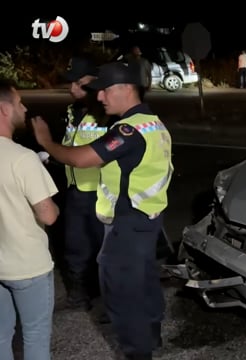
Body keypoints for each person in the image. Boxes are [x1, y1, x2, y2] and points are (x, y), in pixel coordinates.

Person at [31, 62, 174, 360]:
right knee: (144, 282)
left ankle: (139, 353)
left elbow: (82, 158)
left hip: (127, 226)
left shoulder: (129, 129)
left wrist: (45, 141)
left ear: (126, 89)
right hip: (147, 220)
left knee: (122, 296)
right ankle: (151, 337)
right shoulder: (152, 122)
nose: (99, 97)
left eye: (105, 90)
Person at [0, 80, 60, 360]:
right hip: (27, 266)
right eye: (19, 102)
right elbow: (47, 214)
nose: (24, 109)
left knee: (0, 336)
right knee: (35, 336)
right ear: (3, 109)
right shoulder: (23, 159)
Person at [56, 56, 113, 312]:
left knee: (104, 248)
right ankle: (79, 293)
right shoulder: (72, 111)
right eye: (71, 83)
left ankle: (107, 297)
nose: (72, 89)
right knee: (75, 243)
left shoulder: (108, 114)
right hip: (76, 190)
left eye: (79, 83)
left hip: (102, 192)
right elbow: (71, 144)